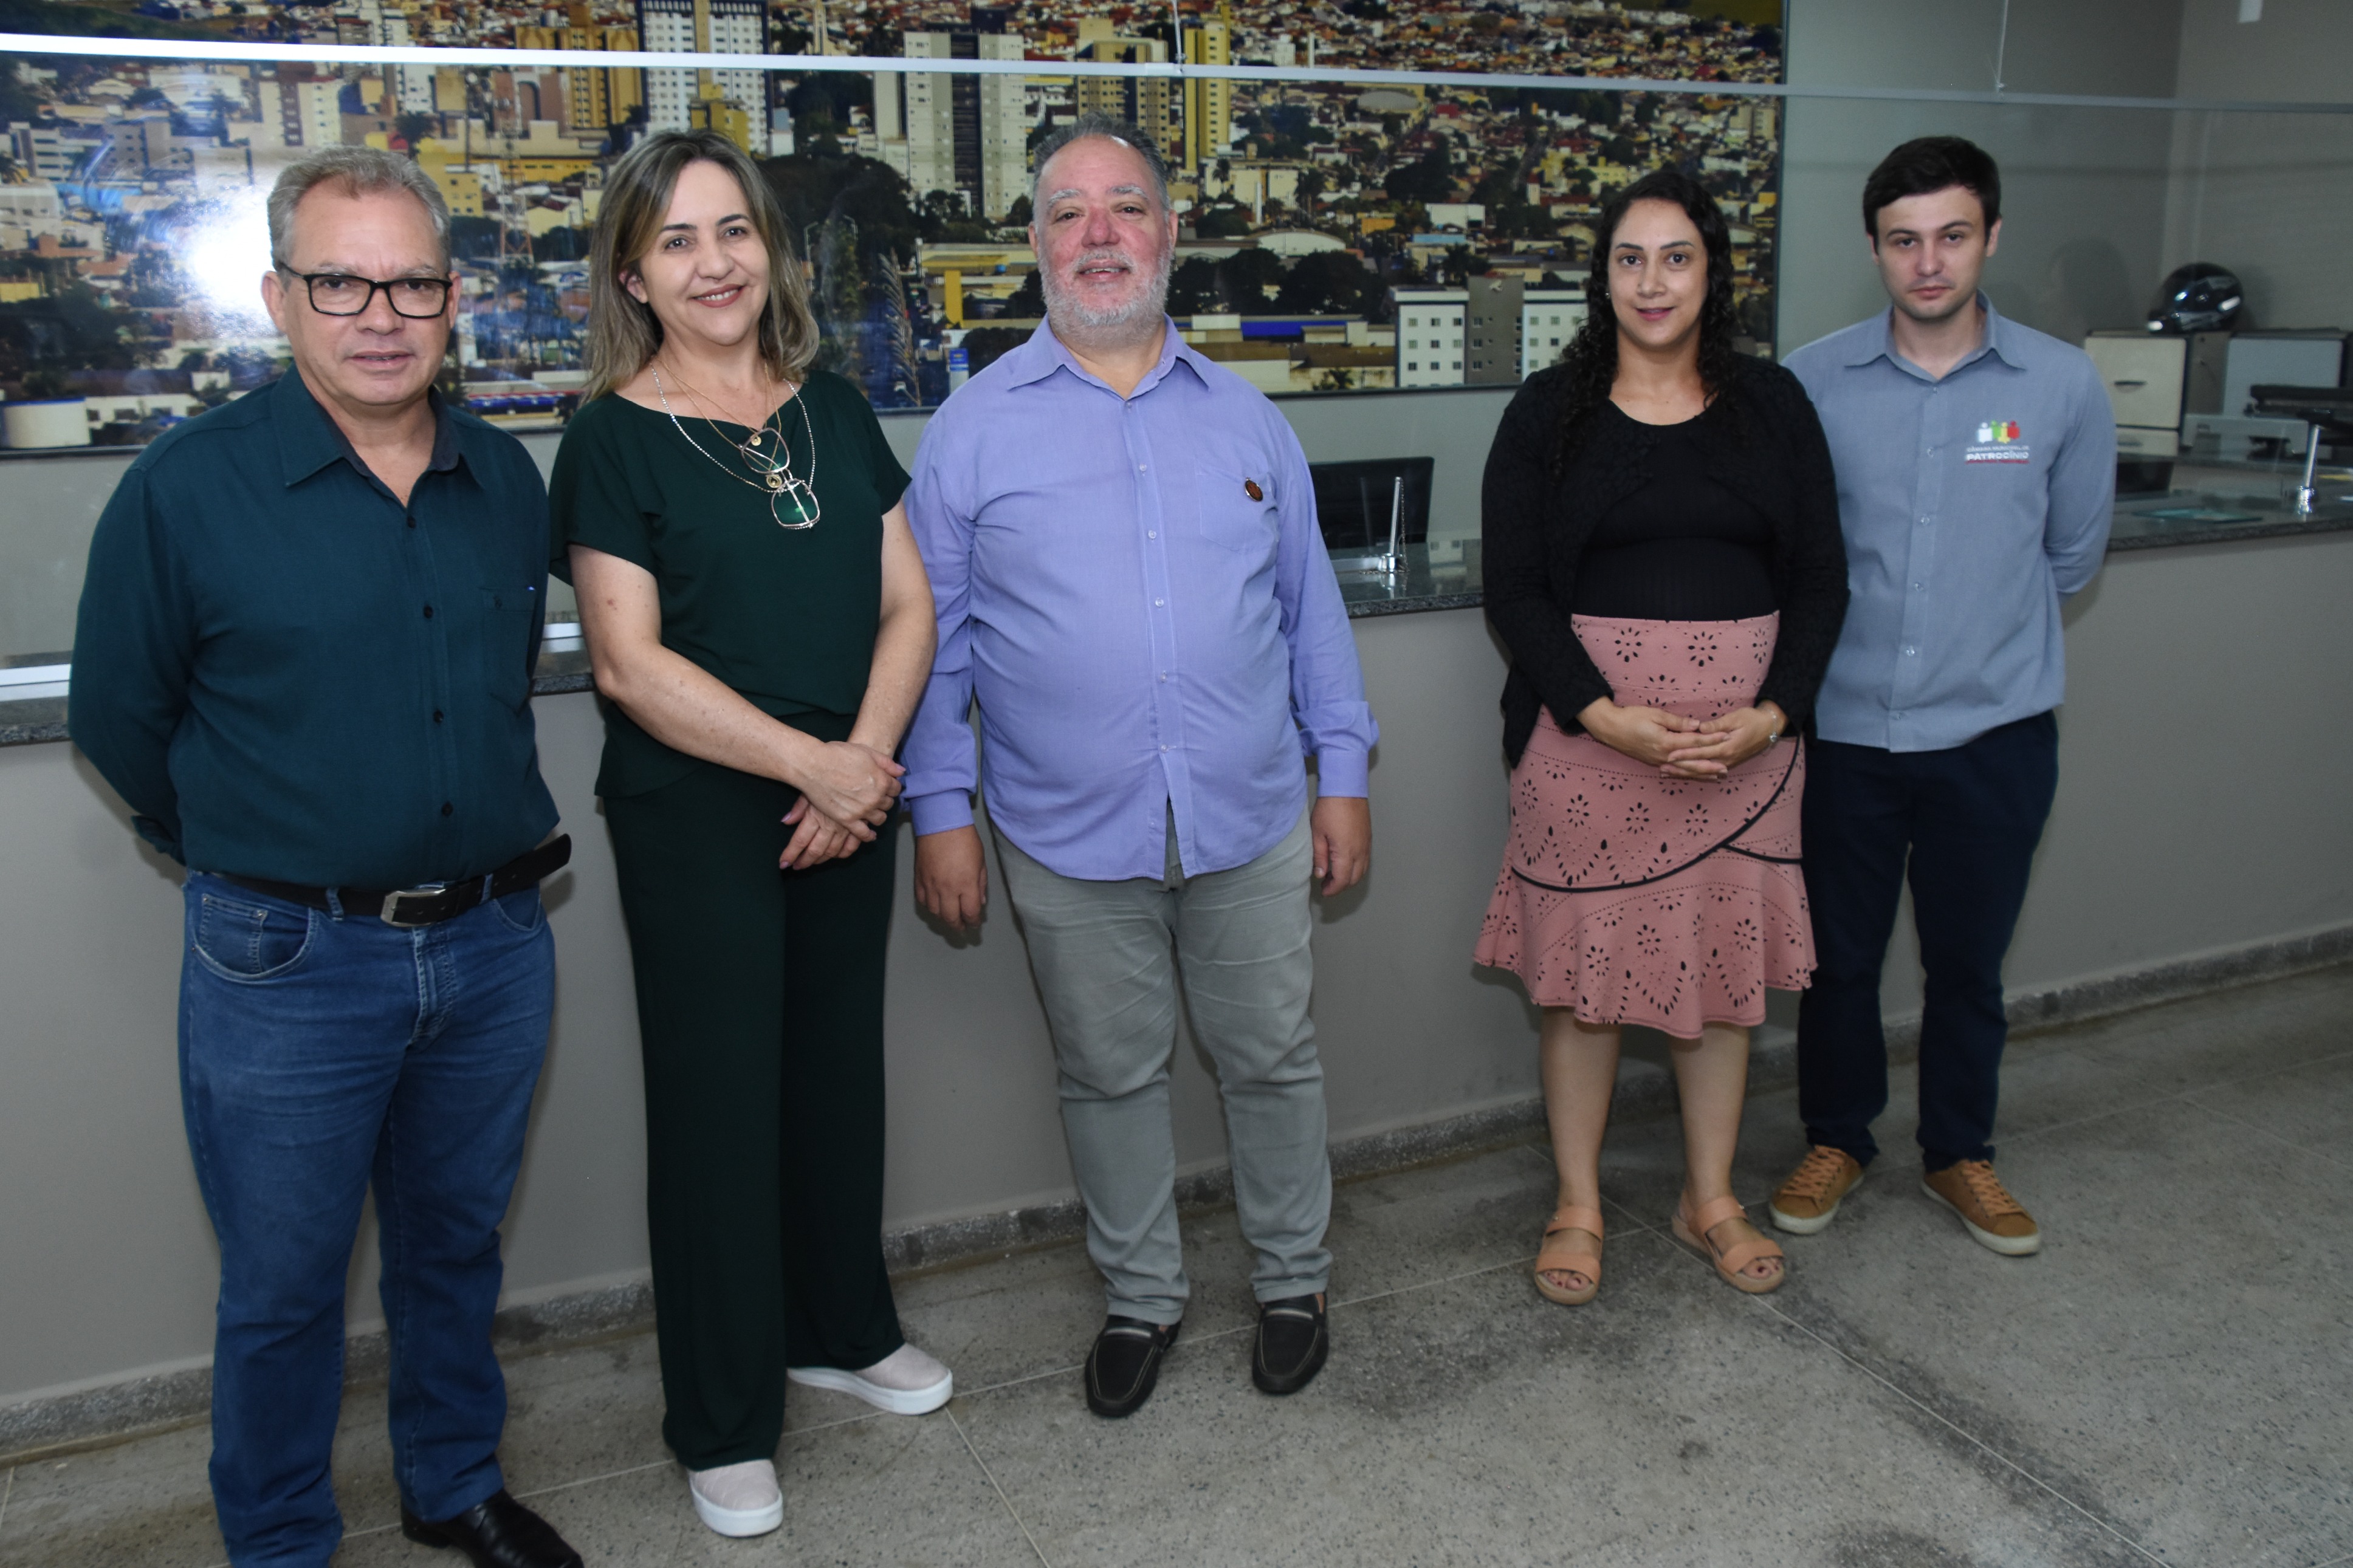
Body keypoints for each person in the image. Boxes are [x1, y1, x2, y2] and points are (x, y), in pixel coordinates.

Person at [69, 149, 581, 1568]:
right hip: (289, 957)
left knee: (453, 1249)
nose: (381, 315)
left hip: (493, 941)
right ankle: (283, 1537)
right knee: (284, 1284)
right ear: (279, 296)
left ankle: (451, 1481)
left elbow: (496, 690)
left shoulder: (501, 479)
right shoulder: (188, 488)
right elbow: (119, 718)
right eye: (341, 282)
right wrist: (250, 854)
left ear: (453, 299)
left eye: (411, 283)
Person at [902, 117, 1376, 1419]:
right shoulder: (970, 433)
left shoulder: (1248, 419)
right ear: (1037, 245)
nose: (1100, 234)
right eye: (1070, 212)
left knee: (1271, 1057)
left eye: (1126, 207)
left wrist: (1343, 772)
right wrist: (939, 809)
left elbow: (1310, 616)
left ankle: (1294, 1281)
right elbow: (930, 645)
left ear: (1169, 233)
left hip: (1253, 813)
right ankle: (1141, 1297)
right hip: (1061, 830)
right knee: (1108, 1075)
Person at [550, 131, 946, 1537]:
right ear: (632, 276)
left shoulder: (830, 407)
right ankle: (721, 1418)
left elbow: (909, 605)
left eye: (733, 231)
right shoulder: (609, 438)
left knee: (835, 1081)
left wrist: (863, 769)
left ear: (770, 254)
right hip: (702, 817)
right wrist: (815, 768)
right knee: (719, 1113)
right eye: (676, 241)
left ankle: (838, 1328)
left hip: (848, 802)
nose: (713, 263)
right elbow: (627, 664)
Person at [1476, 168, 1849, 1305]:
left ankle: (1710, 1198)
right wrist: (1604, 714)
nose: (1652, 281)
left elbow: (1823, 578)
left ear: (1712, 272)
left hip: (1748, 758)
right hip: (1588, 750)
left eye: (1677, 257)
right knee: (1582, 989)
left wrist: (1772, 713)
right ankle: (1577, 1204)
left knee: (1726, 981)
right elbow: (1515, 590)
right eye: (1630, 258)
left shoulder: (1773, 404)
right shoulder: (1548, 413)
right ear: (1602, 277)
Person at [1770, 137, 2114, 1255]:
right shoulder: (1812, 383)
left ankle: (1961, 1150)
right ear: (1874, 248)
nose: (1929, 262)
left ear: (1991, 238)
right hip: (1845, 734)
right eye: (1905, 240)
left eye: (1952, 236)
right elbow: (1790, 556)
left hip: (1993, 736)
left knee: (1970, 965)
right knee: (1839, 961)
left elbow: (2071, 558)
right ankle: (1838, 1137)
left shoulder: (2061, 386)